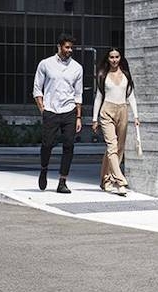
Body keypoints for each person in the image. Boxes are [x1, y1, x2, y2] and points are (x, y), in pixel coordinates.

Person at [33, 34, 83, 194]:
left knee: (69, 145)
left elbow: (78, 93)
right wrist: (43, 109)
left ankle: (62, 181)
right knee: (47, 145)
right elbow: (37, 88)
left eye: (71, 48)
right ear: (59, 47)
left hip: (69, 111)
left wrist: (79, 117)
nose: (70, 50)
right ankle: (44, 169)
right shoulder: (45, 64)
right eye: (67, 47)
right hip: (51, 111)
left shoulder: (77, 68)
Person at [90, 48, 139, 196]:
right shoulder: (103, 75)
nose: (114, 60)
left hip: (123, 110)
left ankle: (106, 180)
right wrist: (94, 119)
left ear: (120, 58)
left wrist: (136, 116)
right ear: (108, 59)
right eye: (111, 57)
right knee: (112, 146)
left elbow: (131, 96)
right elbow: (98, 97)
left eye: (117, 57)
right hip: (107, 111)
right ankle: (120, 182)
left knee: (119, 148)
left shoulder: (125, 75)